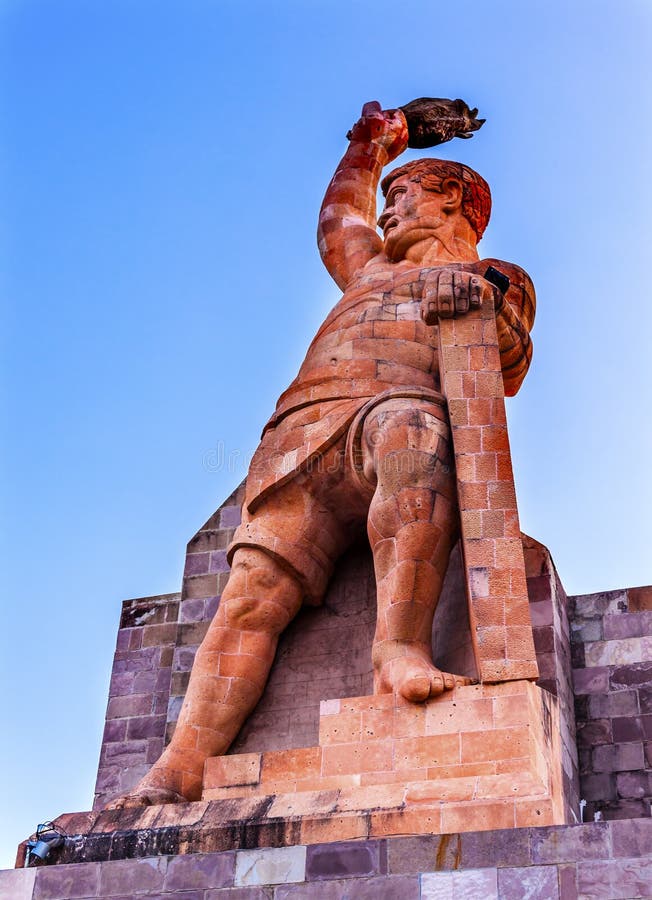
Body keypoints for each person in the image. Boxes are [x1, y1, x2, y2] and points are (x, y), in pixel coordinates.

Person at [109, 102, 535, 807]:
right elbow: (339, 221)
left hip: (395, 412)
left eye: (403, 195)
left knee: (414, 442)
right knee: (250, 597)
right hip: (302, 432)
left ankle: (397, 651)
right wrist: (373, 146)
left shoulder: (497, 272)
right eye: (387, 199)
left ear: (452, 197)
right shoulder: (368, 269)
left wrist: (481, 306)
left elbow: (512, 361)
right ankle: (182, 763)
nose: (388, 211)